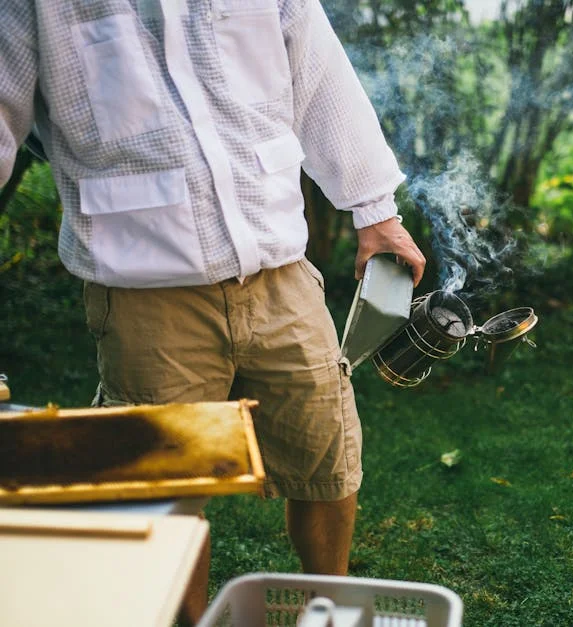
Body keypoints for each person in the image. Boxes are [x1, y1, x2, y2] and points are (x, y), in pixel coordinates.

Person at [0, 0, 425, 588]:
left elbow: (321, 77)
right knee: (164, 490)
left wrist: (377, 210)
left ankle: (331, 603)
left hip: (280, 272)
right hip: (148, 295)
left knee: (327, 459)